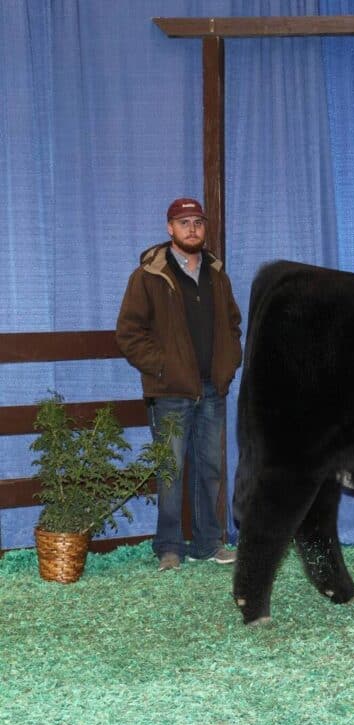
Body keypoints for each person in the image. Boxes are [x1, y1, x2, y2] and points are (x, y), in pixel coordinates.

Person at [116, 198, 243, 571]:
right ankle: (170, 547)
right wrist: (162, 368)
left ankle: (208, 543)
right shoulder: (149, 275)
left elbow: (233, 324)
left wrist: (228, 363)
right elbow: (129, 333)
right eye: (184, 222)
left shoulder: (216, 275)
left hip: (212, 389)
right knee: (169, 472)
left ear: (205, 228)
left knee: (210, 469)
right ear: (169, 228)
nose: (192, 229)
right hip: (169, 392)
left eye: (198, 222)